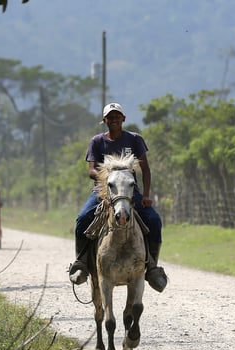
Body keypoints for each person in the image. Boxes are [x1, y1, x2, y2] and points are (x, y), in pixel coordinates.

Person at [69, 102, 168, 292]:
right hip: (103, 190)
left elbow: (145, 169)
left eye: (117, 116)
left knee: (154, 219)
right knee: (82, 219)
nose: (114, 120)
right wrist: (109, 174)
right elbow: (91, 169)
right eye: (110, 117)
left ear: (123, 119)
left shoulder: (135, 140)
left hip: (131, 191)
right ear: (104, 120)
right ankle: (80, 263)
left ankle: (153, 268)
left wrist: (146, 195)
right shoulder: (97, 142)